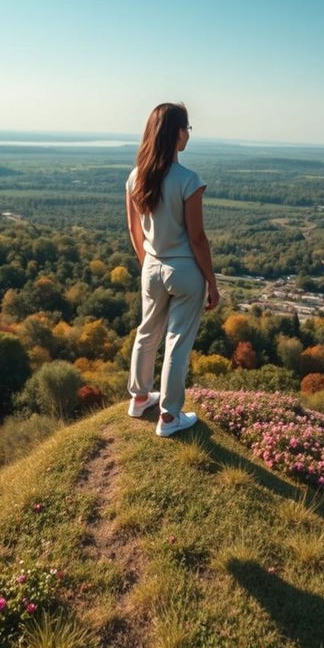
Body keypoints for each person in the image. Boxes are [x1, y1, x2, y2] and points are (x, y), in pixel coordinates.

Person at [125, 103, 219, 436]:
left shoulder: (136, 176)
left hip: (151, 265)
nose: (188, 135)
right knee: (178, 342)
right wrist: (212, 282)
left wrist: (148, 264)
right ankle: (169, 417)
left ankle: (138, 398)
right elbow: (197, 238)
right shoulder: (189, 180)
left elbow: (135, 232)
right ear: (177, 133)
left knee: (147, 333)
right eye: (187, 129)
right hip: (185, 271)